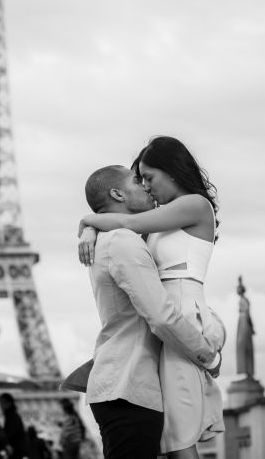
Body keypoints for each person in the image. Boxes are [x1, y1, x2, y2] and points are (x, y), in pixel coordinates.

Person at [78, 136, 226, 459]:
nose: (146, 186)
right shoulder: (156, 224)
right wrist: (90, 227)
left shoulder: (194, 205)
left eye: (149, 177)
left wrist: (88, 221)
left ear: (172, 171)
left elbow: (127, 222)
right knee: (174, 439)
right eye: (140, 179)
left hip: (181, 320)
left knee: (179, 440)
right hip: (169, 326)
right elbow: (124, 227)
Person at [235, 276, 255, 379]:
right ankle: (244, 371)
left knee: (244, 346)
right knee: (242, 347)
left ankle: (248, 371)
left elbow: (247, 312)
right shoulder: (243, 299)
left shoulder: (244, 300)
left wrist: (251, 327)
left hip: (244, 322)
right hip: (243, 321)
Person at [0, 394, 25, 459]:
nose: (0, 405)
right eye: (0, 402)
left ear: (9, 403)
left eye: (2, 402)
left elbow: (10, 433)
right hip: (16, 449)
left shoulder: (12, 416)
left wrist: (4, 443)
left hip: (15, 450)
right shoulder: (11, 415)